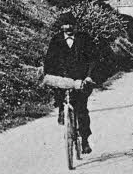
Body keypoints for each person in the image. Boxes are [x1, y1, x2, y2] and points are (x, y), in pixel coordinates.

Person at [42, 12, 104, 154]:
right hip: (62, 80)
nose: (68, 27)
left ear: (75, 25)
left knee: (82, 110)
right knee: (59, 96)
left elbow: (93, 59)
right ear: (61, 26)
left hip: (81, 80)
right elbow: (49, 61)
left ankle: (85, 140)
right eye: (65, 24)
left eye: (71, 24)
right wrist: (51, 77)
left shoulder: (84, 39)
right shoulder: (56, 40)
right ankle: (61, 110)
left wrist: (89, 76)